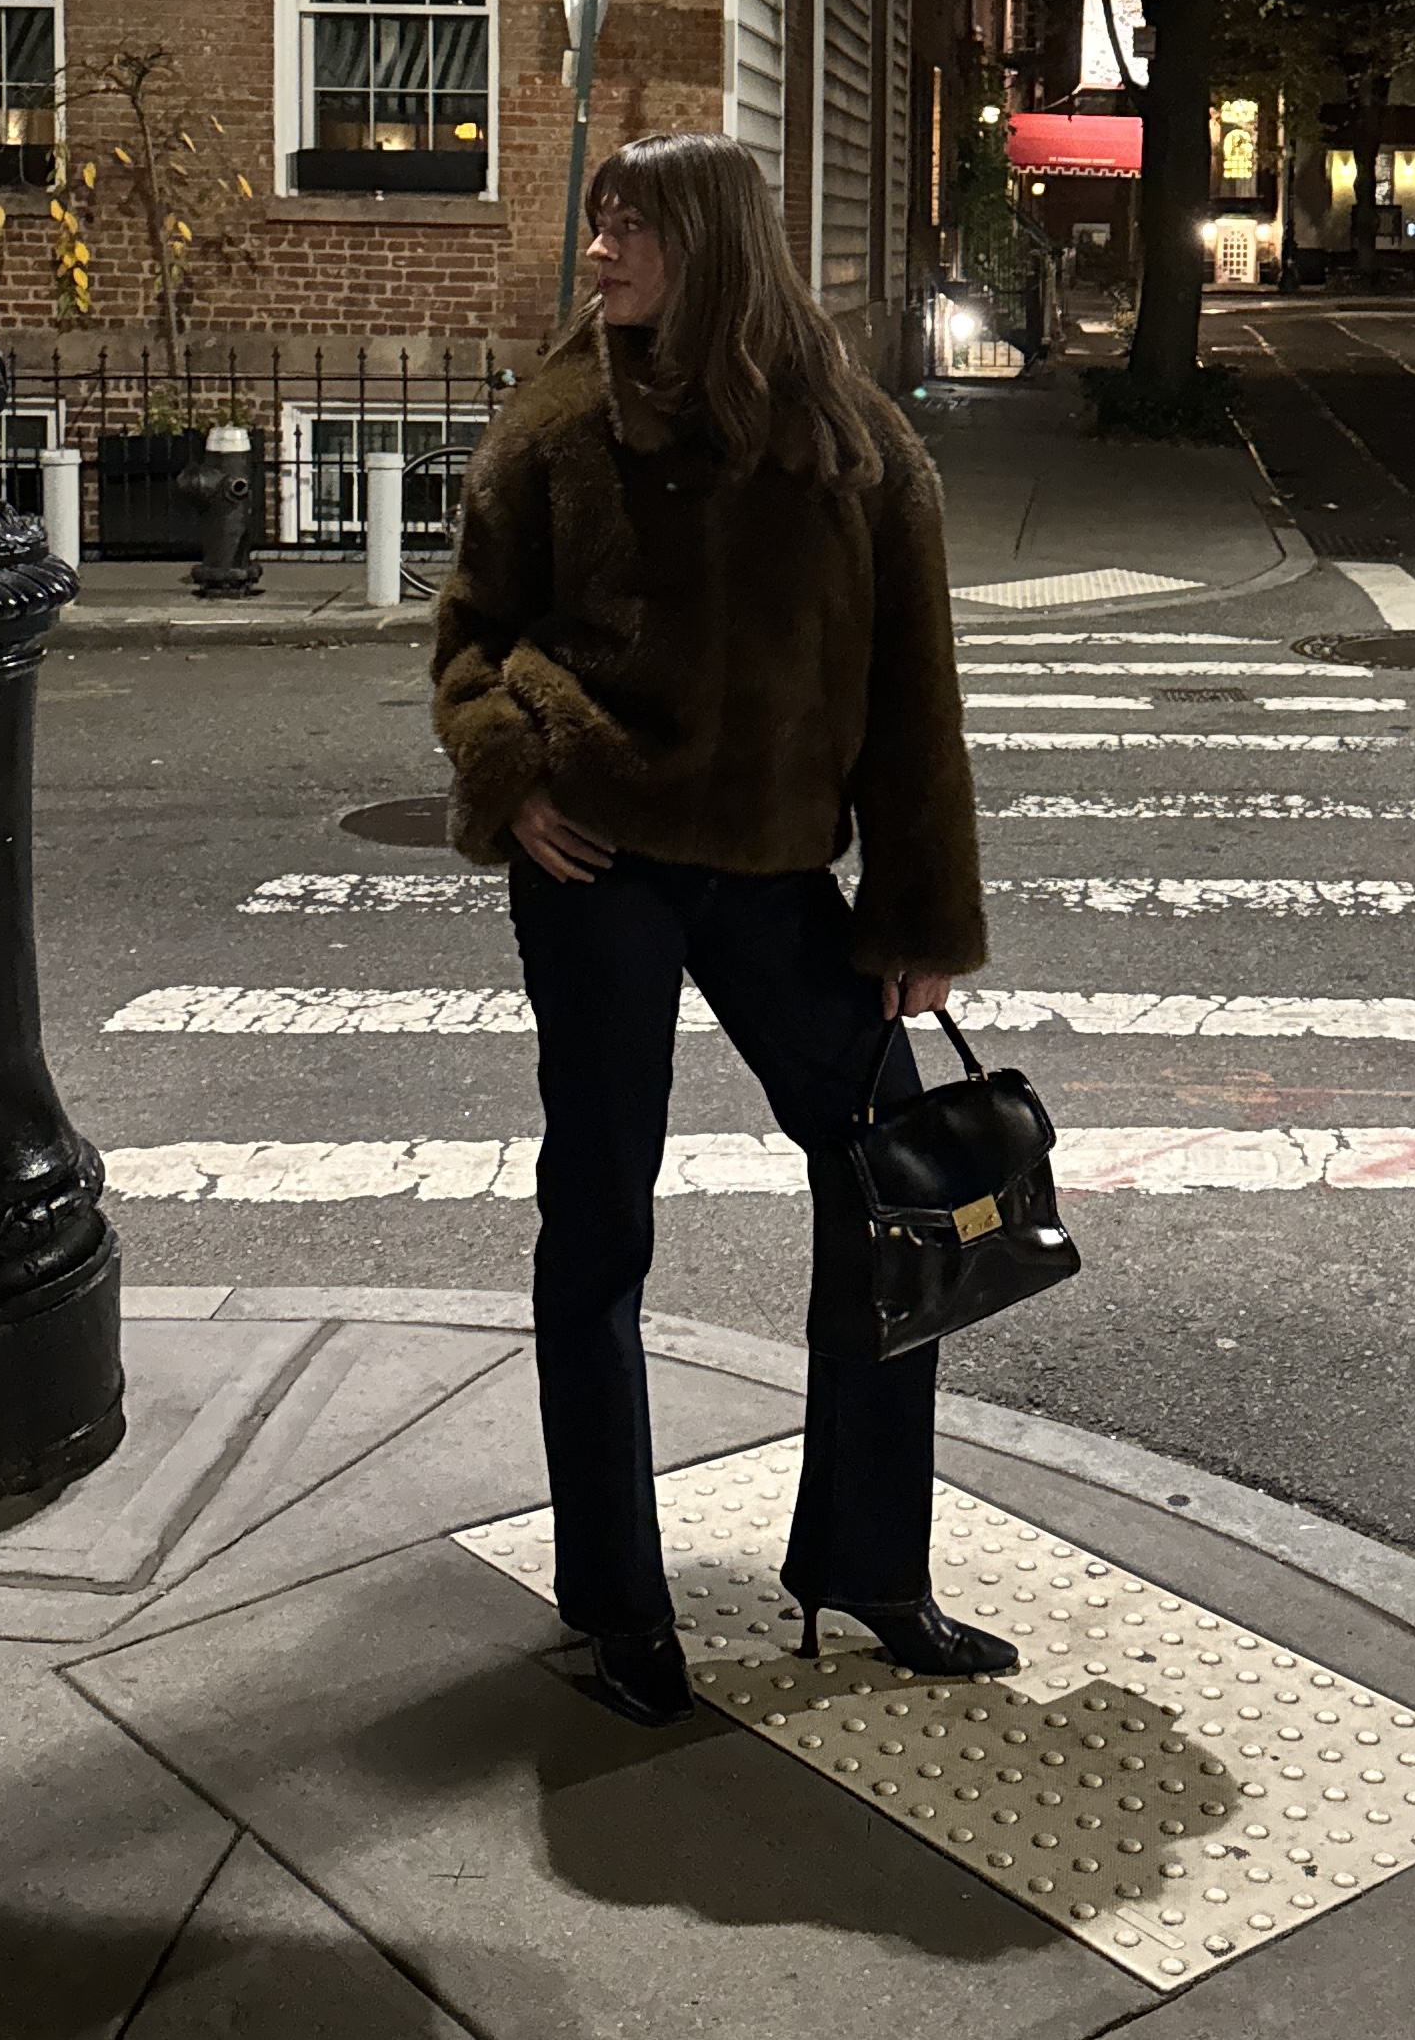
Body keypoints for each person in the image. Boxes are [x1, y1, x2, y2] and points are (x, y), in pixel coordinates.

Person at [431, 131, 1017, 1728]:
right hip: (596, 874)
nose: (601, 246)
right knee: (599, 1221)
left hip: (772, 880)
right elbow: (471, 634)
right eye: (600, 214)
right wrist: (508, 773)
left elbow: (914, 705)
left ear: (715, 244)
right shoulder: (556, 420)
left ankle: (872, 1567)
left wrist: (916, 918)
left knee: (900, 1186)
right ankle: (616, 1600)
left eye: (632, 223)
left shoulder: (852, 447)